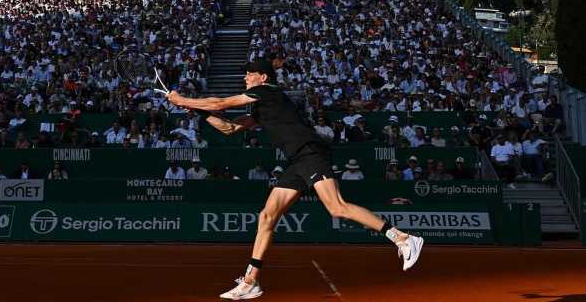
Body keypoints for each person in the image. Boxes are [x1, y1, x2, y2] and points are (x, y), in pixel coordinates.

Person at [166, 58, 423, 299]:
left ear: (262, 77)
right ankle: (250, 281)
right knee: (267, 216)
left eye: (249, 74)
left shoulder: (267, 91)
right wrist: (193, 108)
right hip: (295, 162)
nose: (245, 77)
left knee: (336, 207)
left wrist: (183, 99)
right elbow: (229, 128)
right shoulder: (261, 105)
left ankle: (402, 238)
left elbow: (218, 104)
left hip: (310, 152)